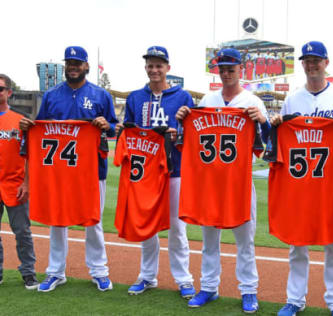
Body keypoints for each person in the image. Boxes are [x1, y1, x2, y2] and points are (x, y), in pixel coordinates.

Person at [176, 47, 270, 314]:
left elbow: (267, 143)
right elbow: (188, 137)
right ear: (218, 71)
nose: (227, 73)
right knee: (209, 240)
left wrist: (262, 122)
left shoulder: (252, 101)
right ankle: (208, 287)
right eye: (223, 68)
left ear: (241, 70)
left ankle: (249, 291)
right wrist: (184, 119)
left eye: (231, 68)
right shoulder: (207, 99)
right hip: (209, 183)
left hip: (239, 182)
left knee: (245, 240)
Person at [19, 46, 118, 292]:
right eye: (69, 63)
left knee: (93, 221)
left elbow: (115, 129)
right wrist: (27, 126)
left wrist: (106, 124)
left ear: (86, 66)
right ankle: (55, 272)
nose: (73, 67)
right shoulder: (52, 95)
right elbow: (38, 128)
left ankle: (99, 271)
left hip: (94, 169)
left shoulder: (100, 95)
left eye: (77, 63)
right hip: (60, 170)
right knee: (57, 219)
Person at [270, 41, 333, 316]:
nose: (311, 64)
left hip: (330, 182)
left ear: (326, 63)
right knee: (297, 244)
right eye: (307, 60)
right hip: (299, 183)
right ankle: (295, 299)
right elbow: (281, 136)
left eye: (316, 60)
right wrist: (275, 124)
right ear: (303, 65)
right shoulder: (293, 99)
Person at [115, 46, 195, 298]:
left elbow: (192, 135)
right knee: (147, 226)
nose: (154, 69)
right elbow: (126, 131)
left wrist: (177, 133)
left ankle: (183, 279)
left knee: (176, 227)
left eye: (159, 65)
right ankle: (147, 276)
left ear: (168, 68)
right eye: (150, 65)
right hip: (145, 172)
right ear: (146, 68)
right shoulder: (135, 98)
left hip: (175, 169)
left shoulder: (183, 97)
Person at [0, 74, 38, 290]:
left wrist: (27, 183)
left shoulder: (21, 121)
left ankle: (28, 273)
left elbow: (31, 155)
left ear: (8, 93)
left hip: (15, 184)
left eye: (0, 89)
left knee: (22, 232)